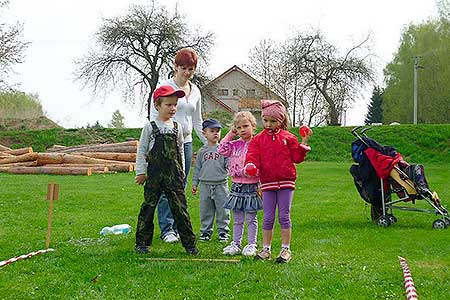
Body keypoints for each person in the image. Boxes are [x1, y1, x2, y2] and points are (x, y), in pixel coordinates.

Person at [149, 48, 206, 243]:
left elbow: (197, 121)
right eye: (183, 68)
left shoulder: (196, 90)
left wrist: (210, 143)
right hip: (167, 142)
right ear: (175, 66)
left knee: (180, 185)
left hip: (187, 143)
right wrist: (155, 143)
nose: (187, 72)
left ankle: (178, 226)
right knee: (167, 185)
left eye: (191, 68)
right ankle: (167, 230)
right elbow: (153, 117)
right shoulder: (165, 87)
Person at [134, 85, 198, 255]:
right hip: (154, 176)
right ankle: (142, 243)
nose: (173, 108)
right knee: (148, 208)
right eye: (168, 105)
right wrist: (141, 172)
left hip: (174, 176)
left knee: (180, 209)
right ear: (157, 106)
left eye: (175, 104)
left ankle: (190, 245)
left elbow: (180, 151)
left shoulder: (177, 128)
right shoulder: (150, 127)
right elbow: (142, 151)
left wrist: (182, 171)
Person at [245, 100, 311, 263]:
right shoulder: (257, 140)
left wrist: (303, 143)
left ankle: (285, 249)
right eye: (265, 120)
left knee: (284, 215)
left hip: (286, 182)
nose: (268, 124)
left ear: (281, 121)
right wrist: (251, 165)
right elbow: (252, 156)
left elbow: (297, 158)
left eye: (273, 121)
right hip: (267, 183)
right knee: (267, 217)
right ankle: (266, 249)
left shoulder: (289, 138)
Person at [219, 111, 263, 257]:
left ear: (253, 126)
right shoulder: (234, 145)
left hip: (252, 185)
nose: (242, 130)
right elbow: (221, 149)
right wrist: (230, 134)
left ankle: (251, 244)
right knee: (237, 218)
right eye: (238, 127)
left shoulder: (258, 144)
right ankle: (236, 243)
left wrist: (258, 178)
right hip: (236, 185)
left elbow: (262, 165)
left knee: (251, 217)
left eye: (245, 126)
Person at [191, 118, 230, 242]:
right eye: (212, 131)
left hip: (221, 185)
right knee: (205, 210)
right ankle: (205, 232)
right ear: (204, 133)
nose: (215, 133)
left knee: (223, 210)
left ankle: (223, 232)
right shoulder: (202, 151)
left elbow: (228, 165)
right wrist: (194, 184)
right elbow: (197, 168)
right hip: (205, 186)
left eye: (218, 131)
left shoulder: (223, 150)